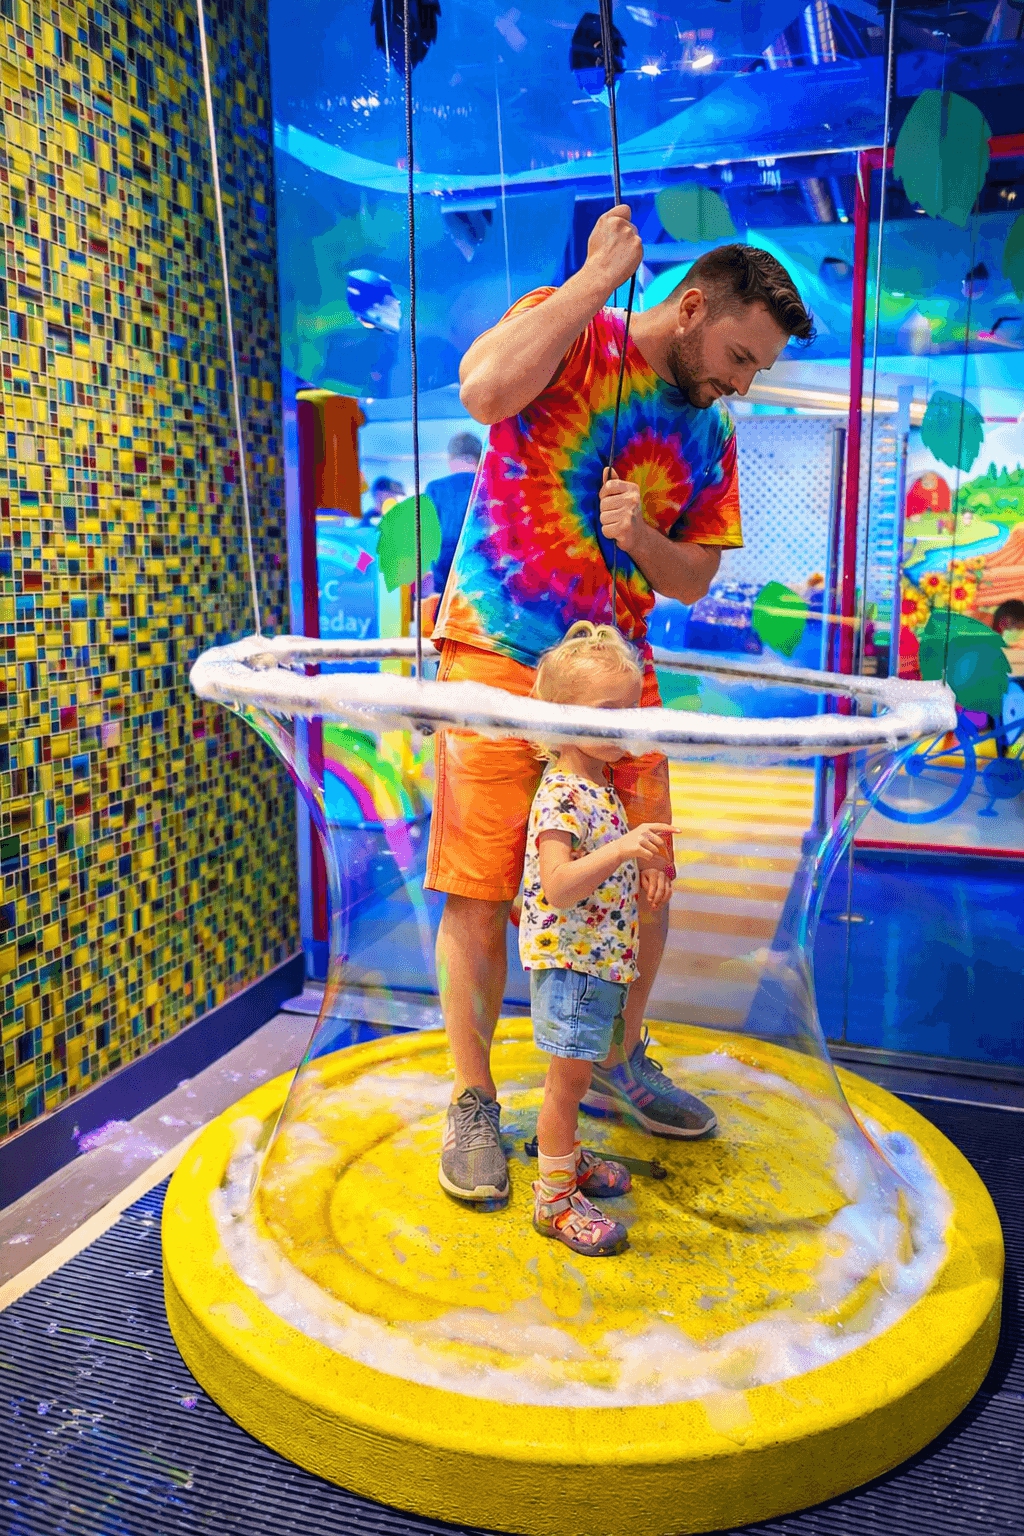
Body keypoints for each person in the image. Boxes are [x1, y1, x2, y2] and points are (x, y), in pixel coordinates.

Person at [428, 213, 814, 1203]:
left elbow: (691, 578)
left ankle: (614, 1057)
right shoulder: (571, 329)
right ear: (690, 307)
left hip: (616, 681)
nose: (741, 381)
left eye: (756, 368)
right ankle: (474, 1099)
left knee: (649, 876)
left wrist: (640, 535)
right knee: (478, 889)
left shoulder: (710, 434)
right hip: (496, 653)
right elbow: (483, 391)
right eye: (737, 355)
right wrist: (595, 279)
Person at [517, 622, 677, 1256]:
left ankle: (568, 1162)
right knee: (567, 1081)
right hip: (573, 968)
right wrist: (623, 849)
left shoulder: (598, 788)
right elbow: (558, 885)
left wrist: (639, 870)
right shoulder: (560, 794)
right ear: (561, 715)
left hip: (598, 963)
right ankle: (554, 1200)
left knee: (578, 1079)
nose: (622, 726)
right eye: (607, 712)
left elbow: (597, 869)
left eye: (628, 711)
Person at [426, 431, 483, 598]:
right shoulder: (489, 484)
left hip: (444, 568)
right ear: (479, 457)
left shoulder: (435, 488)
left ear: (451, 458)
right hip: (480, 567)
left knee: (445, 620)